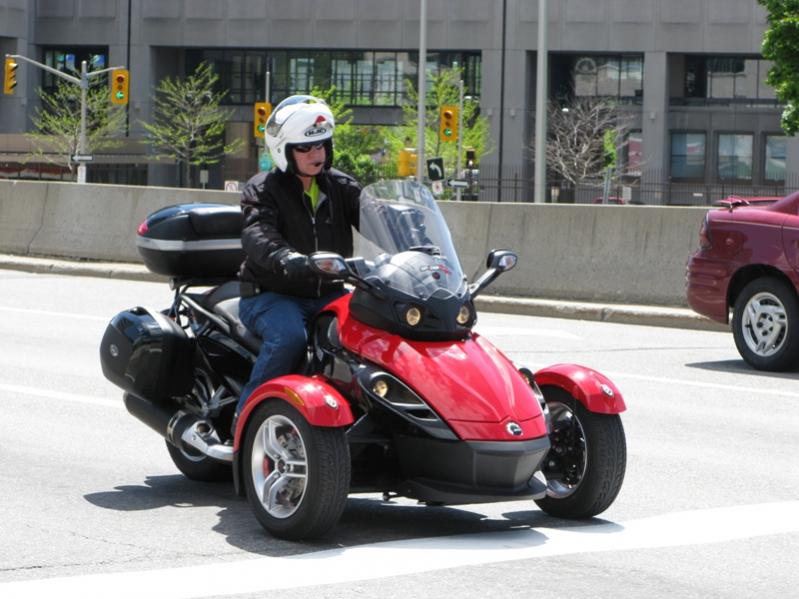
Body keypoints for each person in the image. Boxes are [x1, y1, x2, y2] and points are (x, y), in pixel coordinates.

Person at [235, 95, 361, 419]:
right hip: (273, 294)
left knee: (370, 331)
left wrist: (413, 236)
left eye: (321, 145)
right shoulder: (263, 189)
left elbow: (378, 218)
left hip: (329, 293)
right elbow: (257, 232)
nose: (316, 154)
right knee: (289, 338)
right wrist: (285, 257)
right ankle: (246, 421)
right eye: (305, 148)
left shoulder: (341, 187)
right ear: (285, 151)